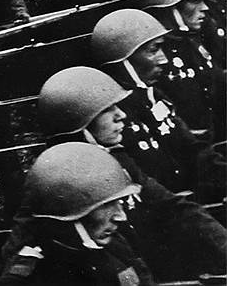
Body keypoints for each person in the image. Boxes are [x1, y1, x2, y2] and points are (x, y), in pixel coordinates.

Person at [32, 66, 227, 280]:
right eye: (107, 110)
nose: (121, 115)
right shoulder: (55, 182)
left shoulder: (117, 157)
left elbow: (169, 204)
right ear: (79, 122)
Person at [90, 8, 225, 199]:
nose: (164, 59)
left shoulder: (153, 95)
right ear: (124, 60)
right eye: (153, 50)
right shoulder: (116, 114)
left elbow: (194, 150)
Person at [0, 143, 151, 285]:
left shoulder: (112, 244)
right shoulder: (35, 276)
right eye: (105, 205)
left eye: (118, 202)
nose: (120, 216)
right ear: (66, 213)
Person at [139, 0, 225, 135]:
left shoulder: (190, 42)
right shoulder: (157, 58)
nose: (205, 8)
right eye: (194, 1)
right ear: (170, 7)